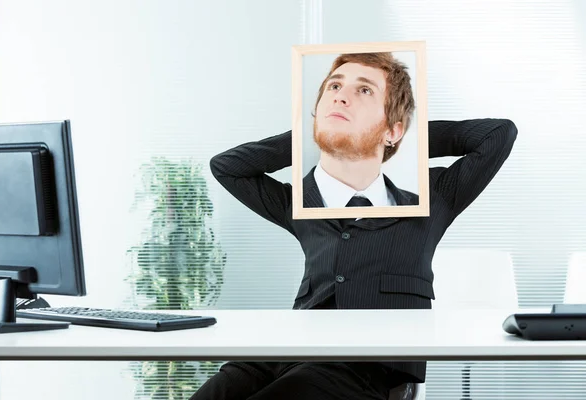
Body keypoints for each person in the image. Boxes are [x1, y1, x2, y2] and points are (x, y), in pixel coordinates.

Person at [191, 52, 518, 400]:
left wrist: (400, 137)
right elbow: (226, 166)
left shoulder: (432, 196)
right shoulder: (303, 200)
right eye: (335, 86)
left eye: (364, 91)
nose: (341, 95)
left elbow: (498, 134)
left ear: (394, 130)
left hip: (366, 366)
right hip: (287, 348)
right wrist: (316, 135)